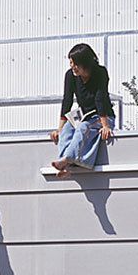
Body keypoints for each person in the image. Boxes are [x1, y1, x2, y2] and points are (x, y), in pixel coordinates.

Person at [48, 43, 116, 178]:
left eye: (74, 63)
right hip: (83, 114)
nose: (71, 66)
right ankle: (65, 165)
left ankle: (67, 160)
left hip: (103, 115)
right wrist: (59, 129)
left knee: (84, 127)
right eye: (70, 63)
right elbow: (67, 101)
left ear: (84, 63)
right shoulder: (70, 75)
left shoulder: (100, 72)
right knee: (67, 130)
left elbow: (100, 99)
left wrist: (105, 126)